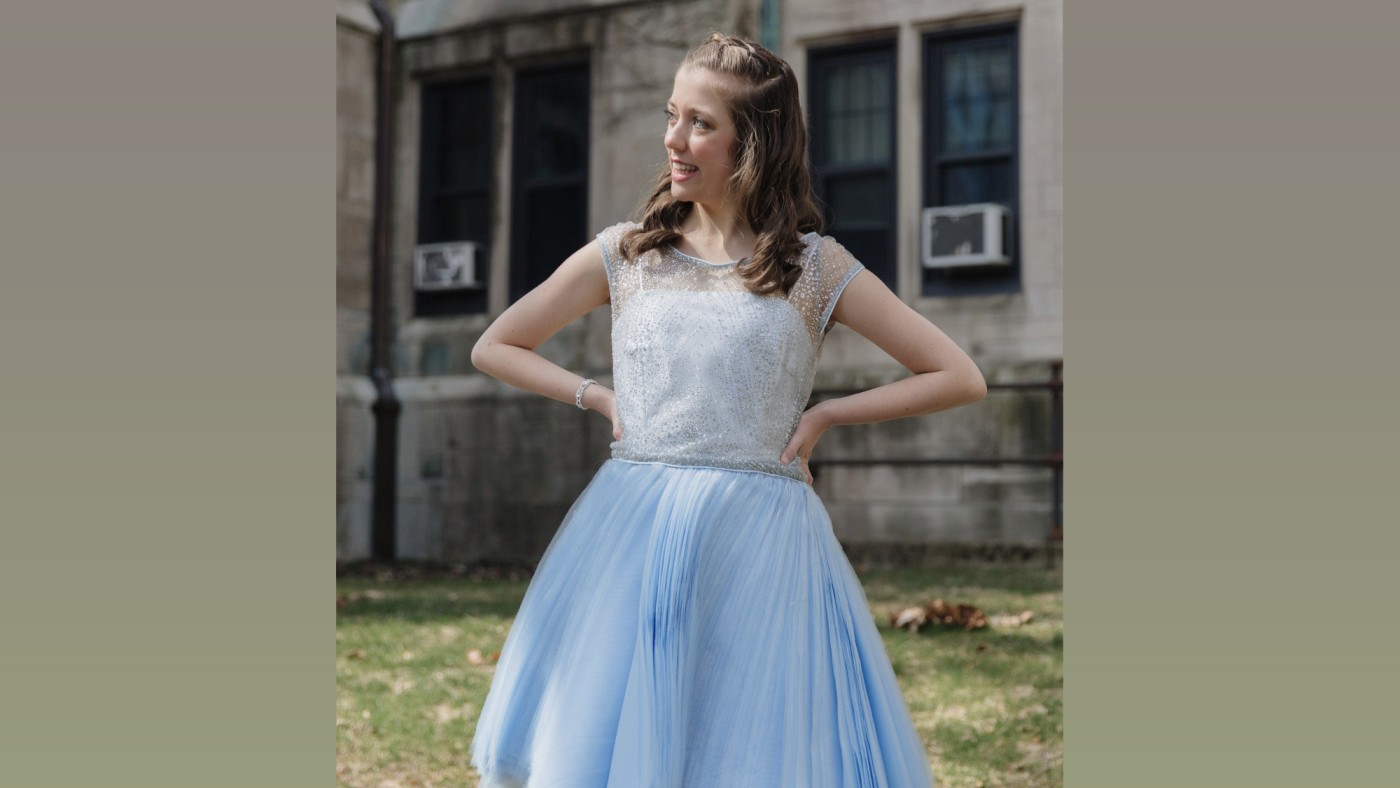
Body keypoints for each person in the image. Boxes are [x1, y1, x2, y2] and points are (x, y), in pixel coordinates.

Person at [468, 32, 985, 788]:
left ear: (755, 142)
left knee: (745, 743)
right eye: (672, 116)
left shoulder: (815, 268)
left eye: (700, 123)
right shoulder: (628, 254)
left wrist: (825, 417)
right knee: (625, 732)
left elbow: (957, 373)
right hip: (634, 530)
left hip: (761, 539)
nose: (674, 139)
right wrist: (597, 394)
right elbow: (497, 344)